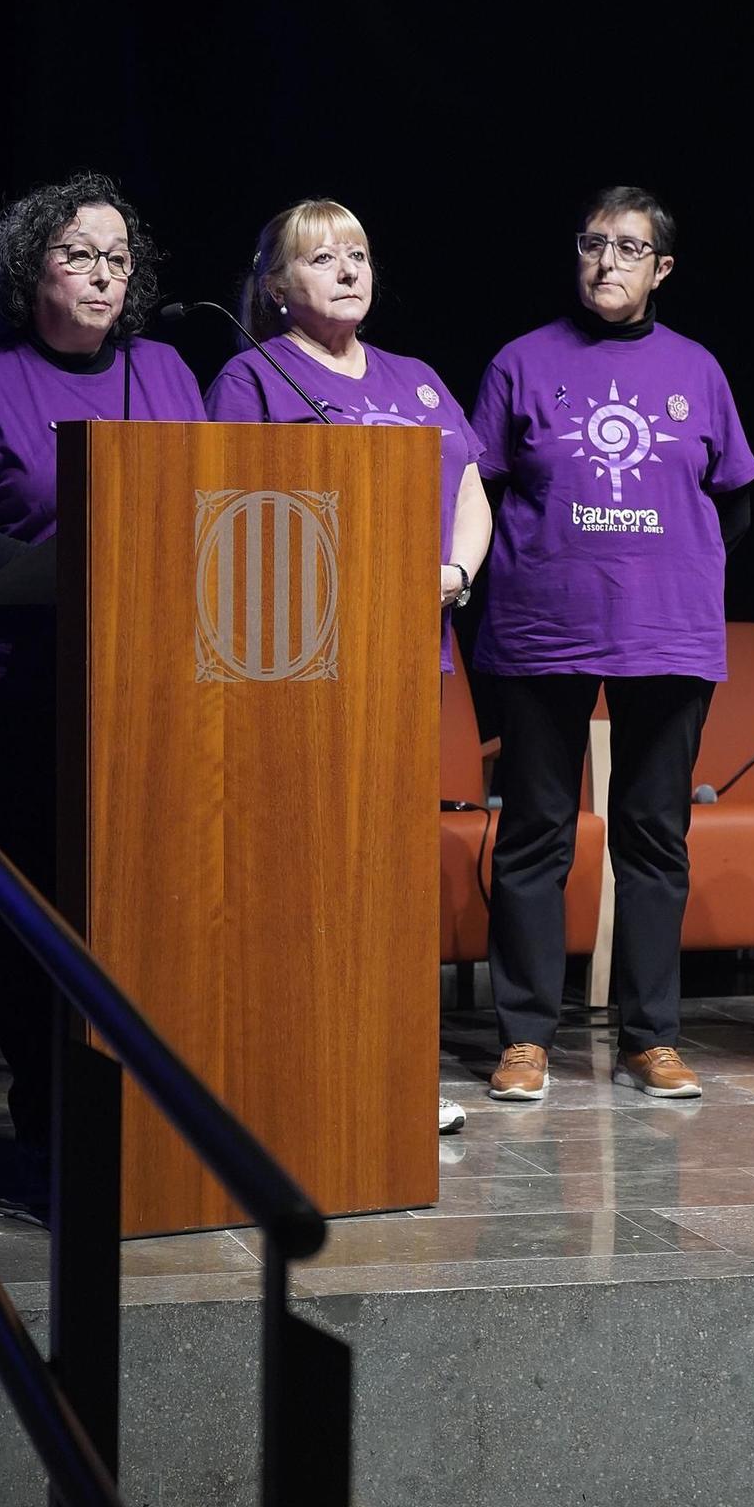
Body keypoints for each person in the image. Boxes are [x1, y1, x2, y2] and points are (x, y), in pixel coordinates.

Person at [0, 173, 206, 1185]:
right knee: (38, 908)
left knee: (140, 901)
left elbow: (197, 506)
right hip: (12, 689)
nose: (103, 273)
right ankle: (42, 1120)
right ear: (30, 265)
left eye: (118, 257)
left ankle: (143, 1106)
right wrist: (85, 574)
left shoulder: (166, 370)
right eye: (79, 252)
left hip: (145, 688)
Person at [204, 197, 491, 1134]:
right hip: (300, 662)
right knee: (305, 867)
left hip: (410, 656)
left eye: (359, 254)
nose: (347, 271)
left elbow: (471, 492)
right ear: (276, 286)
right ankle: (292, 1066)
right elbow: (231, 514)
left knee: (387, 871)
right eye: (321, 258)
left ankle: (392, 1069)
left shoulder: (416, 379)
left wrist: (452, 572)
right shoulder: (251, 378)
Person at [469, 185, 754, 1102]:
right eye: (594, 244)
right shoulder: (521, 361)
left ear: (660, 268)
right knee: (532, 837)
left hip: (665, 633)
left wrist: (665, 565)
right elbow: (475, 485)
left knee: (652, 836)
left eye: (629, 249)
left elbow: (736, 498)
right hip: (541, 628)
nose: (606, 263)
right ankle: (524, 1038)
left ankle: (652, 1037)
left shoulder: (697, 368)